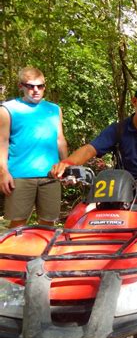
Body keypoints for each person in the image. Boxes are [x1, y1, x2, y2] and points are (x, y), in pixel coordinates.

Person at [51, 84, 137, 224]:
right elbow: (90, 149)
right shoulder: (118, 129)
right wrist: (67, 163)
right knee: (87, 216)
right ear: (134, 101)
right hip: (122, 187)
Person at [0, 67, 68, 228]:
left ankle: (43, 254)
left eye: (40, 86)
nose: (36, 90)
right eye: (30, 86)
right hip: (20, 176)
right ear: (21, 86)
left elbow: (60, 140)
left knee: (48, 224)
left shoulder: (54, 109)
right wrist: (3, 172)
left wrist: (68, 166)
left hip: (50, 175)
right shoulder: (7, 109)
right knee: (17, 226)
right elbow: (2, 142)